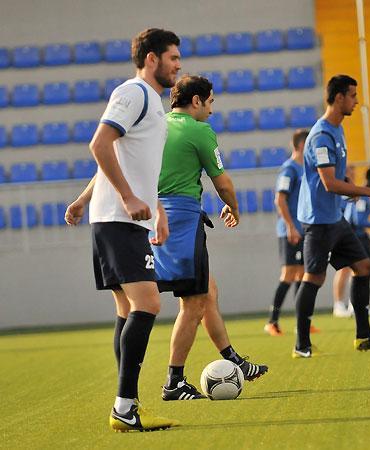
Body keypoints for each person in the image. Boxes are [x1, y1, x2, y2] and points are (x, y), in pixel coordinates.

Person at [65, 29, 181, 432]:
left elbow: (123, 158)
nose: (178, 65)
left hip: (122, 217)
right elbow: (99, 144)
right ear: (151, 59)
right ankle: (124, 406)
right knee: (149, 303)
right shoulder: (134, 93)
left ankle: (128, 405)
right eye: (172, 57)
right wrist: (129, 198)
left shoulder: (152, 102)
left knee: (128, 309)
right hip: (119, 218)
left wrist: (156, 209)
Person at [152, 75, 268, 401]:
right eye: (211, 102)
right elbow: (223, 182)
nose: (212, 110)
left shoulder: (155, 125)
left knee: (207, 291)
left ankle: (234, 360)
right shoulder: (199, 130)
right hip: (181, 221)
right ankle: (174, 381)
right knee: (193, 302)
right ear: (197, 101)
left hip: (154, 217)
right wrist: (233, 207)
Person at [292, 74, 370, 358]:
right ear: (338, 98)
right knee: (314, 278)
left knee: (363, 267)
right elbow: (328, 183)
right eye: (352, 95)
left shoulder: (337, 130)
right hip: (318, 221)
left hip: (334, 218)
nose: (356, 101)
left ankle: (364, 337)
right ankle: (301, 345)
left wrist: (348, 187)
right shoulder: (322, 135)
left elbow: (335, 177)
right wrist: (368, 191)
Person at [264, 129, 313, 336]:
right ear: (302, 145)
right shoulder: (289, 169)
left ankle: (302, 323)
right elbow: (280, 199)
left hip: (303, 230)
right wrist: (290, 227)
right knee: (289, 274)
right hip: (290, 231)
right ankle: (272, 322)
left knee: (302, 274)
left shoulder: (304, 168)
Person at [332, 166, 370, 317]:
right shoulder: (363, 196)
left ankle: (355, 305)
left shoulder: (361, 194)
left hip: (356, 236)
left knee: (362, 270)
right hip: (354, 237)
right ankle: (351, 305)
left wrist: (367, 237)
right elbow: (358, 220)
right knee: (362, 269)